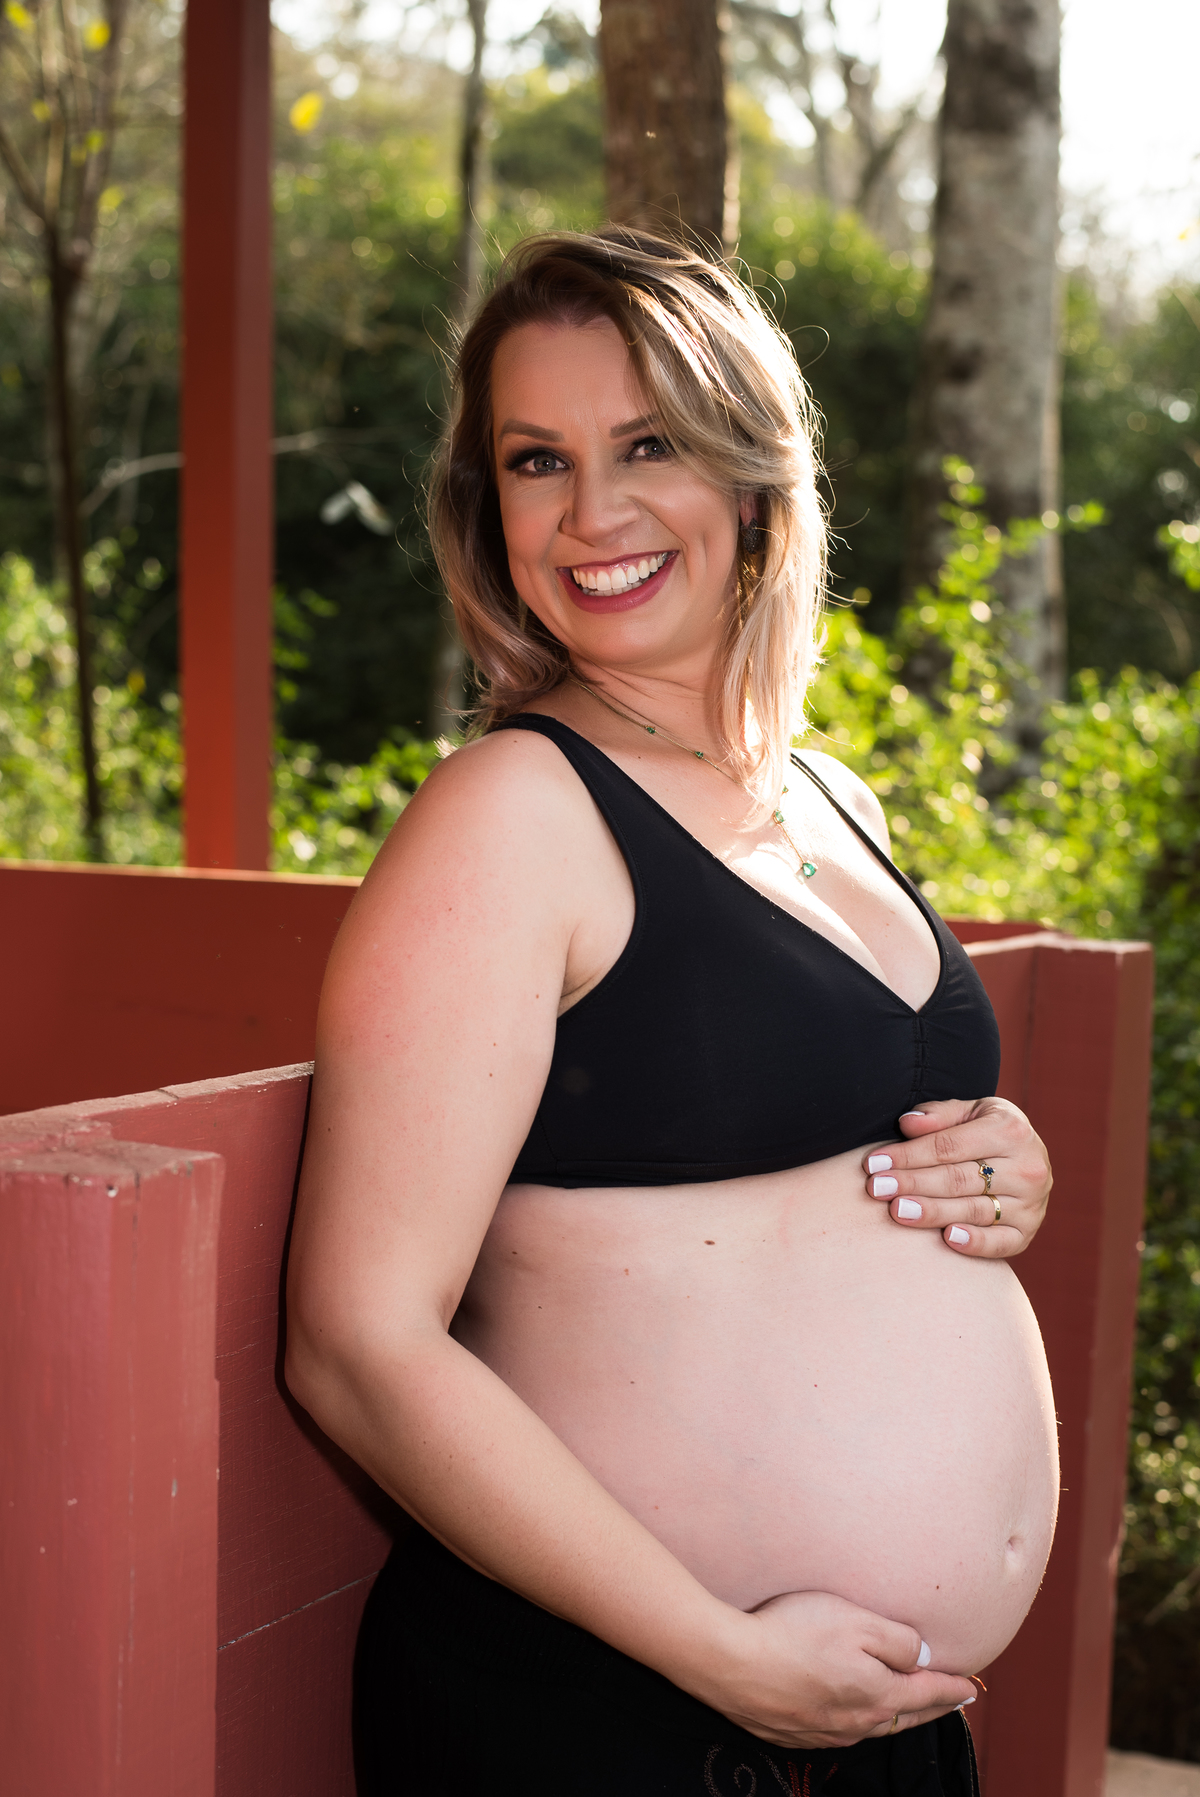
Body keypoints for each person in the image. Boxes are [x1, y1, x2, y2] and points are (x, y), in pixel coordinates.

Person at [285, 229, 1058, 1797]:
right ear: (488, 507)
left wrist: (998, 1163)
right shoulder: (511, 814)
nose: (592, 513)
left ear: (754, 477)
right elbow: (355, 1340)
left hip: (863, 1728)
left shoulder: (830, 795)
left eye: (648, 445)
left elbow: (802, 1154)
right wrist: (721, 1653)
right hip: (621, 1714)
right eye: (538, 460)